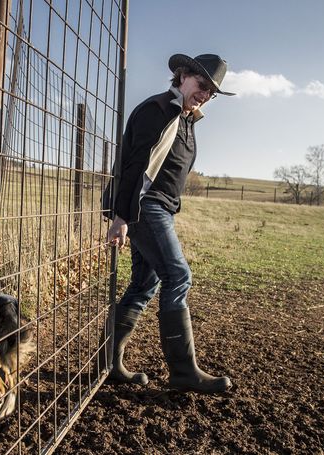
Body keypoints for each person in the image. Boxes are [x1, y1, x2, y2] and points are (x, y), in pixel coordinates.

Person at [104, 53, 234, 393]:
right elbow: (134, 165)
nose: (205, 95)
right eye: (202, 85)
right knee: (178, 276)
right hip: (145, 207)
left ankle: (109, 364)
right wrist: (121, 216)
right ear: (182, 75)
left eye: (212, 92)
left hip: (159, 207)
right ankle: (183, 372)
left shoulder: (186, 119)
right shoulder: (158, 110)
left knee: (145, 284)